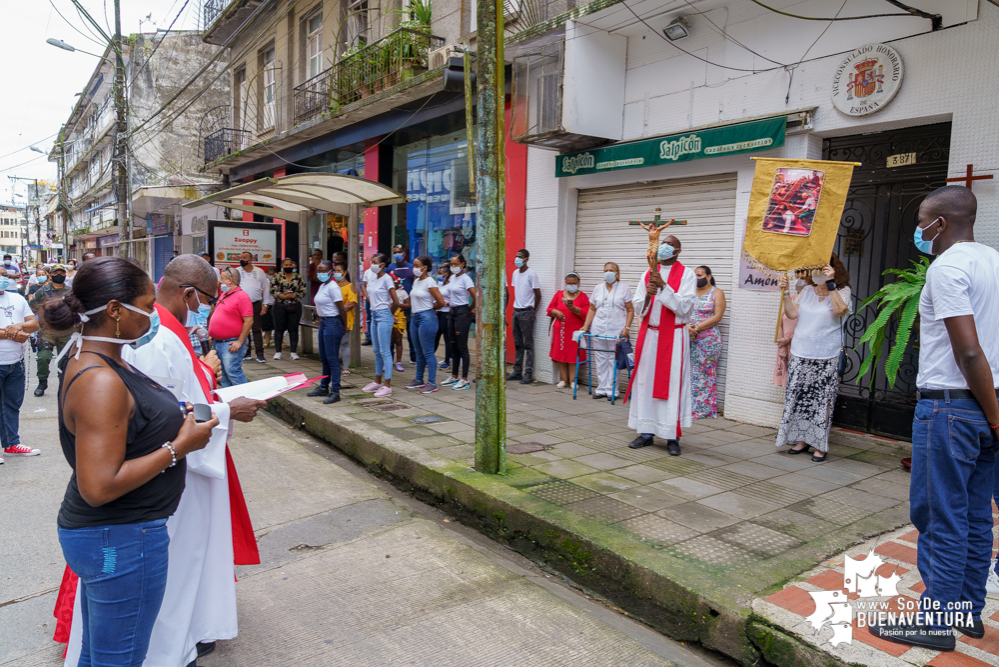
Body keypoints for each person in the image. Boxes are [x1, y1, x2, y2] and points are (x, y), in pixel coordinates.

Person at [60, 256, 266, 667]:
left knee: (102, 654)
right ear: (116, 311)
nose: (153, 313)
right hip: (120, 536)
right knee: (119, 658)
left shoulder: (107, 358)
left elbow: (141, 412)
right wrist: (180, 446)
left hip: (124, 531)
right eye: (147, 303)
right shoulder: (100, 378)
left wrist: (192, 408)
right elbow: (99, 485)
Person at [870, 187, 999, 650]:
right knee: (975, 516)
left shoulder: (946, 268)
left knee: (940, 516)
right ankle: (967, 612)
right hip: (987, 406)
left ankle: (935, 621)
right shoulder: (994, 261)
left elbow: (968, 350)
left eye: (922, 222)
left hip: (950, 409)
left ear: (939, 224)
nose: (918, 232)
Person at [775, 254, 851, 463]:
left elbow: (839, 310)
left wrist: (831, 283)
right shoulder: (807, 290)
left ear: (832, 269)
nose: (816, 273)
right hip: (801, 352)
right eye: (814, 269)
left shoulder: (842, 291)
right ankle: (802, 440)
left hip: (826, 355)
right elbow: (792, 314)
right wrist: (785, 292)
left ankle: (819, 444)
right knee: (800, 399)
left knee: (822, 401)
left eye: (821, 269)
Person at [626, 235, 696, 457]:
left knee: (672, 384)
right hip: (651, 335)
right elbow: (639, 307)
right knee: (645, 382)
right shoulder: (647, 273)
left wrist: (664, 287)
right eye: (662, 244)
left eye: (670, 245)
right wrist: (648, 294)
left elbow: (685, 308)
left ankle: (671, 436)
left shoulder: (687, 274)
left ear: (678, 251)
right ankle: (646, 432)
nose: (665, 247)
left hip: (674, 337)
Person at [0, 266, 40, 464]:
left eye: (3, 274)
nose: (1, 278)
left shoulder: (17, 298)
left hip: (16, 362)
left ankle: (11, 444)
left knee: (12, 404)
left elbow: (34, 324)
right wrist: (13, 333)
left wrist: (20, 326)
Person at [581, 263, 634, 400]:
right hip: (598, 328)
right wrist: (585, 326)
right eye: (606, 270)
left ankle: (612, 390)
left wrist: (627, 327)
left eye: (611, 270)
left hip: (616, 330)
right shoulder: (598, 288)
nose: (608, 273)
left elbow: (630, 309)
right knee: (600, 359)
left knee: (613, 359)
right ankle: (601, 389)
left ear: (617, 273)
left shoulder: (624, 288)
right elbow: (592, 309)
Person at [307, 260, 349, 404]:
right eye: (319, 271)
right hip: (324, 323)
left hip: (333, 323)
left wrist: (345, 325)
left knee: (332, 359)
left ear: (331, 272)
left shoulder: (333, 287)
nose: (321, 273)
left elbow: (341, 308)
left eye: (324, 271)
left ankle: (335, 391)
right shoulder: (322, 286)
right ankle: (323, 386)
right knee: (324, 358)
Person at [688, 266, 727, 420]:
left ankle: (703, 409)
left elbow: (718, 316)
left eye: (700, 275)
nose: (697, 278)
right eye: (695, 276)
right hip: (688, 337)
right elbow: (681, 311)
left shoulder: (717, 293)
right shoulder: (689, 292)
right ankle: (688, 406)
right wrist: (686, 326)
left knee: (704, 374)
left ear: (709, 277)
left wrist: (697, 327)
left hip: (708, 341)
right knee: (689, 373)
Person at [404, 256, 446, 393]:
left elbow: (440, 302)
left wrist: (432, 309)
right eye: (414, 265)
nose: (414, 268)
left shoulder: (430, 282)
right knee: (419, 352)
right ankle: (418, 379)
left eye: (417, 265)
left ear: (425, 267)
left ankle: (432, 383)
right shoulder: (416, 281)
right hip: (415, 317)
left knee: (428, 352)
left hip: (426, 318)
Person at [30, 264, 73, 397]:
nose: (58, 275)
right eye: (55, 273)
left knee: (65, 360)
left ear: (65, 275)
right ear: (50, 275)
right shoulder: (43, 291)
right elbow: (31, 307)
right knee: (43, 357)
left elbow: (79, 308)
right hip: (48, 330)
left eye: (61, 272)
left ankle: (63, 384)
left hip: (67, 330)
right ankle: (42, 382)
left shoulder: (71, 292)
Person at [362, 254, 400, 398]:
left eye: (375, 262)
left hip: (384, 314)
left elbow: (395, 301)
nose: (372, 265)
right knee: (377, 350)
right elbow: (365, 288)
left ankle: (387, 385)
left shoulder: (387, 279)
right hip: (374, 315)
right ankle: (377, 382)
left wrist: (390, 315)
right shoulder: (372, 277)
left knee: (385, 351)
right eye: (372, 262)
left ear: (383, 264)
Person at [210, 268, 254, 387]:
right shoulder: (225, 294)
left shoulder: (242, 296)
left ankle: (246, 399)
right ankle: (231, 401)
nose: (220, 282)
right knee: (223, 375)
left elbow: (249, 321)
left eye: (222, 278)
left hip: (231, 343)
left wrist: (240, 342)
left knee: (233, 373)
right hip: (218, 342)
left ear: (230, 280)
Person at [546, 272, 590, 389]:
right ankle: (563, 379)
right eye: (569, 283)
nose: (571, 285)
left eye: (573, 283)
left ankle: (573, 380)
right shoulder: (559, 294)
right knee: (561, 354)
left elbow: (587, 313)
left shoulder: (583, 297)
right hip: (560, 330)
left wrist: (573, 308)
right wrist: (556, 312)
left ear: (578, 283)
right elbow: (550, 308)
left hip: (574, 330)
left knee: (573, 355)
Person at [505, 249, 541, 384]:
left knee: (528, 344)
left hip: (526, 312)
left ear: (526, 259)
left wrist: (532, 311)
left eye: (520, 257)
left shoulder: (531, 274)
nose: (517, 259)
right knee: (518, 343)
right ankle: (517, 371)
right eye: (516, 256)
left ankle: (528, 373)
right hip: (516, 311)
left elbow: (538, 295)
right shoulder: (515, 273)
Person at [441, 254, 476, 391]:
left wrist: (470, 309)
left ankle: (464, 379)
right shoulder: (452, 278)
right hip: (452, 312)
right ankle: (454, 376)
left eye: (456, 264)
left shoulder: (466, 279)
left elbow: (476, 296)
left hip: (462, 313)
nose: (453, 267)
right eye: (452, 264)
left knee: (462, 347)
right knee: (453, 345)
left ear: (462, 264)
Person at [236, 252, 271, 363]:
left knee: (256, 328)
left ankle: (260, 354)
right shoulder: (236, 271)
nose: (242, 260)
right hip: (240, 304)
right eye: (241, 258)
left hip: (255, 303)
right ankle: (246, 352)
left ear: (251, 260)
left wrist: (265, 304)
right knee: (243, 329)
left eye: (244, 258)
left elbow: (266, 288)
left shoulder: (259, 271)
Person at [270, 258, 306, 361]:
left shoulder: (298, 277)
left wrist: (296, 294)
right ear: (282, 266)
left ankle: (293, 352)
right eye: (286, 265)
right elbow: (272, 289)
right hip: (280, 306)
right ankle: (278, 352)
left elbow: (303, 289)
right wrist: (282, 296)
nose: (288, 266)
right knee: (279, 329)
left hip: (294, 305)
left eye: (290, 265)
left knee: (293, 329)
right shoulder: (277, 276)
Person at [388, 245, 416, 365]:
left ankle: (413, 357)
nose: (397, 254)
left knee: (411, 332)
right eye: (395, 252)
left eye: (399, 252)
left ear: (404, 253)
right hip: (394, 307)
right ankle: (392, 359)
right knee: (392, 336)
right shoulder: (390, 268)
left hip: (408, 304)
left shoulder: (411, 268)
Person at [333, 262, 356, 375]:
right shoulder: (332, 285)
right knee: (333, 343)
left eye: (339, 271)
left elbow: (352, 303)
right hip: (333, 317)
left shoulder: (349, 286)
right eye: (335, 271)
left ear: (345, 272)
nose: (336, 273)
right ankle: (334, 367)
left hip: (345, 318)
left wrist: (340, 309)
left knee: (344, 343)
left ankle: (345, 368)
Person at [435, 265, 452, 370]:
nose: (439, 275)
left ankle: (447, 360)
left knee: (447, 338)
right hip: (439, 312)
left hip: (446, 313)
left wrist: (447, 303)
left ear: (447, 274)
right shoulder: (440, 283)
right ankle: (429, 357)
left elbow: (455, 300)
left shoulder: (451, 286)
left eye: (441, 273)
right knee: (435, 336)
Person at [261, 265, 278, 350]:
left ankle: (280, 342)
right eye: (269, 273)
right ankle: (267, 342)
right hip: (267, 304)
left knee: (278, 324)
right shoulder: (265, 281)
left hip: (276, 304)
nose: (271, 275)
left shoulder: (278, 280)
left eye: (272, 273)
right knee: (267, 325)